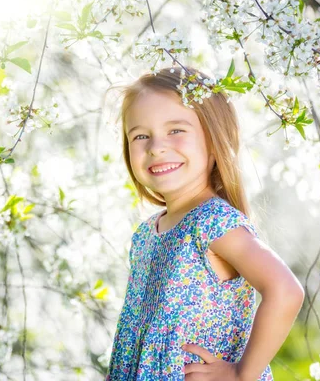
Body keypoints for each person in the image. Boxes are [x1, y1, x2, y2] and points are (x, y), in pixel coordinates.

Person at [105, 66, 305, 380]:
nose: (156, 147)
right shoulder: (146, 234)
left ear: (213, 141)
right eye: (140, 135)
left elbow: (285, 291)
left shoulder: (212, 223)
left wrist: (241, 374)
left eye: (175, 130)